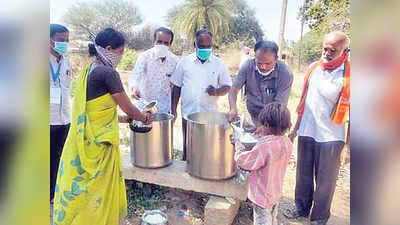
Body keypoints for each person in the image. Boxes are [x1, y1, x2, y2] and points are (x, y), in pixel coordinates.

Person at [52, 28, 152, 225]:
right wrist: (144, 117)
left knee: (83, 190)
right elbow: (129, 107)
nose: (121, 56)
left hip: (83, 141)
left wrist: (123, 120)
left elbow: (95, 112)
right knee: (98, 191)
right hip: (100, 147)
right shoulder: (108, 73)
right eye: (120, 52)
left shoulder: (90, 70)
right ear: (108, 49)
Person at [284, 31, 350, 225]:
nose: (327, 53)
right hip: (307, 131)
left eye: (333, 50)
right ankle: (301, 208)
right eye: (325, 48)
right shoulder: (314, 68)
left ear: (345, 50)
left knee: (325, 181)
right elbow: (305, 101)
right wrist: (295, 129)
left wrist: (348, 147)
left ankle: (319, 218)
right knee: (302, 175)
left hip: (331, 136)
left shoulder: (349, 75)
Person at [170, 29, 232, 161]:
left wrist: (217, 91)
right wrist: (173, 109)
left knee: (208, 152)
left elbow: (227, 86)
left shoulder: (218, 64)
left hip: (209, 116)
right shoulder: (184, 62)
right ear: (195, 44)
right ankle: (186, 178)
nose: (205, 49)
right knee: (189, 150)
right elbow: (176, 87)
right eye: (201, 46)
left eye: (208, 46)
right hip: (188, 114)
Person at [232, 102, 293, 225]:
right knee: (272, 218)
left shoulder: (265, 145)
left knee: (262, 221)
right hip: (275, 193)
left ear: (266, 125)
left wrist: (238, 146)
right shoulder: (287, 143)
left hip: (262, 196)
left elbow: (244, 161)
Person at [227, 41, 293, 127]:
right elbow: (233, 90)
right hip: (251, 118)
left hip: (273, 120)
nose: (263, 67)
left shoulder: (285, 73)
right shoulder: (247, 66)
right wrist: (233, 108)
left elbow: (279, 106)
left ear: (276, 59)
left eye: (268, 63)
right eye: (259, 63)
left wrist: (266, 127)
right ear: (255, 57)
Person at [128, 27, 179, 113]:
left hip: (164, 108)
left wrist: (174, 109)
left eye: (166, 43)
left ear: (170, 44)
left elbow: (175, 85)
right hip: (144, 106)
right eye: (159, 42)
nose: (162, 45)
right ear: (154, 41)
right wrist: (134, 87)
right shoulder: (145, 57)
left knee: (163, 127)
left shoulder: (175, 61)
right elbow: (135, 75)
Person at [50, 24, 72, 203]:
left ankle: (54, 192)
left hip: (64, 119)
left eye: (66, 40)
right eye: (60, 39)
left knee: (60, 158)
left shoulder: (66, 61)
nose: (64, 43)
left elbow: (67, 88)